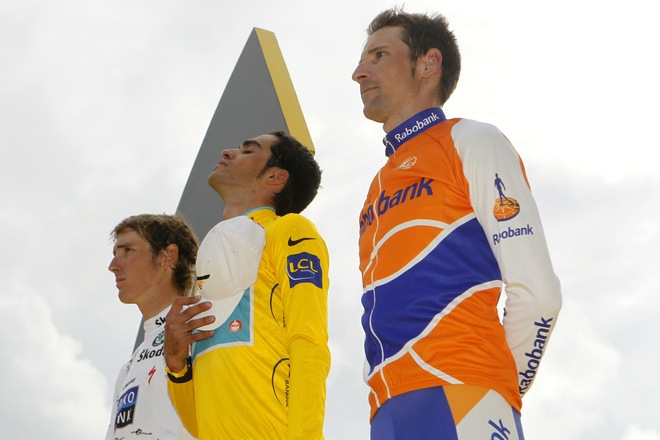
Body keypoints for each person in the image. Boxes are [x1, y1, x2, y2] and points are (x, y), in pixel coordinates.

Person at [351, 8, 562, 439]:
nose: (359, 73)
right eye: (362, 60)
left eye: (379, 56)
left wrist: (497, 390)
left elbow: (539, 295)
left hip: (465, 392)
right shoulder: (377, 186)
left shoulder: (471, 140)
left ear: (428, 63)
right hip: (386, 410)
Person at [163, 130, 331, 439]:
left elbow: (309, 341)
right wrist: (177, 367)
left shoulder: (289, 229)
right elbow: (199, 425)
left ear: (275, 177)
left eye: (247, 151)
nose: (227, 152)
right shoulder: (213, 262)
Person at [105, 214, 198, 440]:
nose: (113, 266)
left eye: (127, 251)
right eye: (115, 254)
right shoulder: (128, 369)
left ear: (167, 257)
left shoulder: (205, 329)